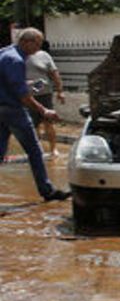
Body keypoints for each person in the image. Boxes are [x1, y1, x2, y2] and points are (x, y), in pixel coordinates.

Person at [0, 28, 70, 202]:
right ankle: (47, 191)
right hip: (14, 108)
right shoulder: (16, 60)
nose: (38, 48)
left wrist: (30, 85)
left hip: (6, 106)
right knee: (35, 150)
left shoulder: (5, 53)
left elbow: (11, 83)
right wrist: (44, 110)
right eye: (37, 44)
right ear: (26, 42)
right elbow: (22, 95)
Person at [25, 41, 65, 158]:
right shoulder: (19, 56)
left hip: (45, 93)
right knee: (33, 124)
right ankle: (37, 150)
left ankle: (53, 149)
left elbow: (54, 73)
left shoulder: (44, 55)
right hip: (28, 95)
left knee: (48, 122)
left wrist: (60, 91)